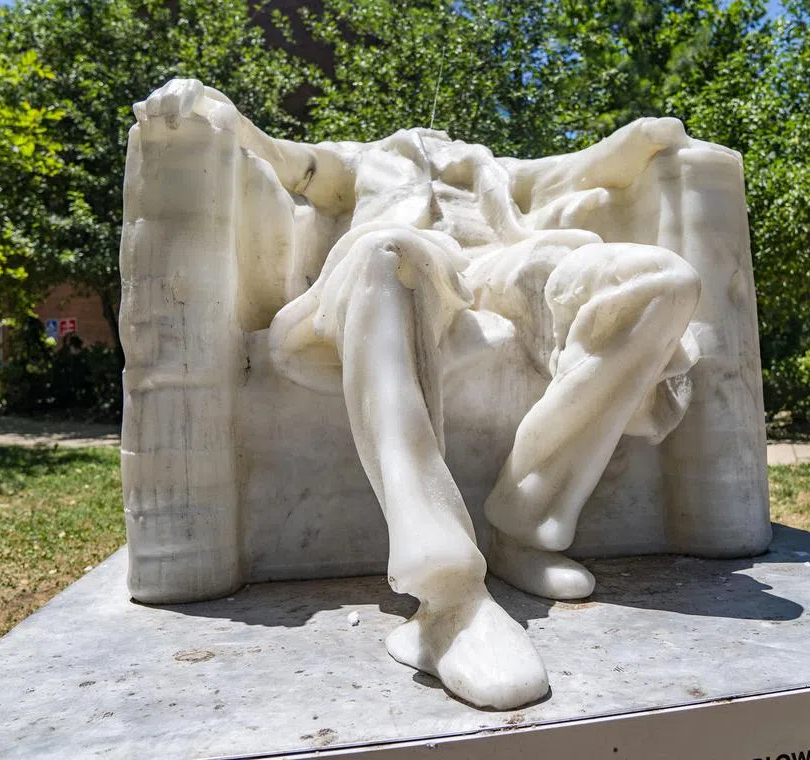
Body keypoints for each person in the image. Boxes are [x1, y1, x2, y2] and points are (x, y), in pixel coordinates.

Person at [140, 79, 702, 710]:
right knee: (390, 253)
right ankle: (449, 599)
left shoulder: (492, 167)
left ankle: (526, 522)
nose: (434, 138)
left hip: (504, 268)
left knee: (665, 278)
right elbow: (285, 160)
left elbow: (577, 170)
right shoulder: (365, 160)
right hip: (412, 265)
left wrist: (647, 135)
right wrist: (219, 107)